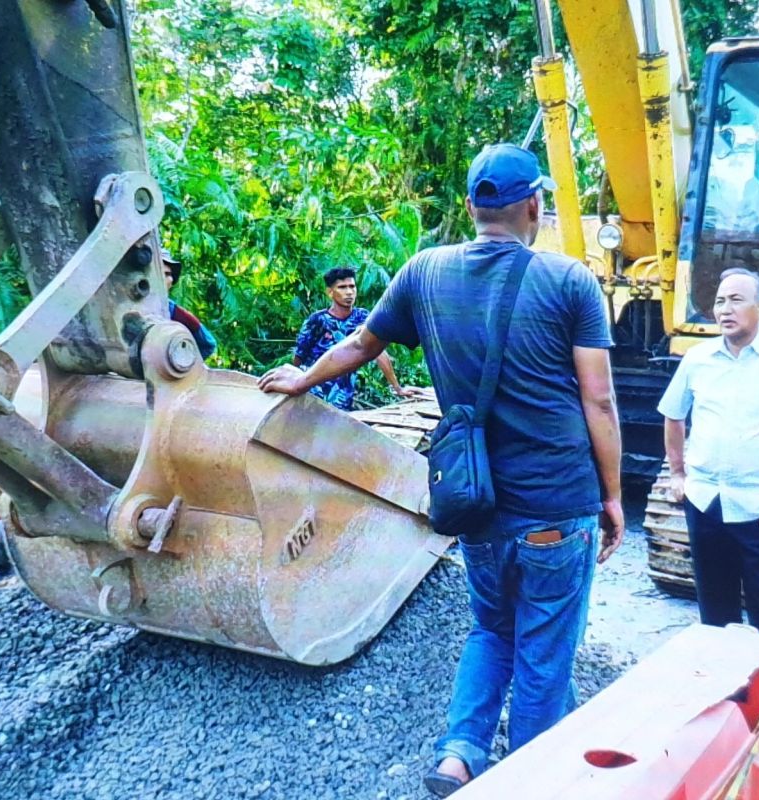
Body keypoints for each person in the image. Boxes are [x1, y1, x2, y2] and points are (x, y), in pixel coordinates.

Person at [258, 143, 625, 797]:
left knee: (491, 628)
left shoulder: (424, 272)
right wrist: (614, 495)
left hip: (474, 502)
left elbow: (361, 345)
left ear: (471, 207)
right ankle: (530, 781)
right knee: (543, 650)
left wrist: (302, 380)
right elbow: (598, 400)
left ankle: (459, 755)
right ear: (534, 206)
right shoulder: (571, 282)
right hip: (556, 507)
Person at [657, 266, 759, 733]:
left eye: (736, 300)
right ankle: (725, 692)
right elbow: (673, 415)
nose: (724, 309)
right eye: (720, 300)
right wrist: (679, 473)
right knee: (714, 606)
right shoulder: (698, 359)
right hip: (706, 500)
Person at [293, 267, 414, 410]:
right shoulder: (317, 320)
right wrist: (294, 385)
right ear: (330, 292)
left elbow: (379, 352)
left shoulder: (363, 318)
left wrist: (397, 387)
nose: (349, 292)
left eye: (352, 286)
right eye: (342, 287)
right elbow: (299, 358)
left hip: (343, 397)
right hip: (313, 395)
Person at [161, 251, 218, 360]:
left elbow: (208, 344)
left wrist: (178, 366)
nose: (167, 279)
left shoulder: (175, 312)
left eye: (168, 274)